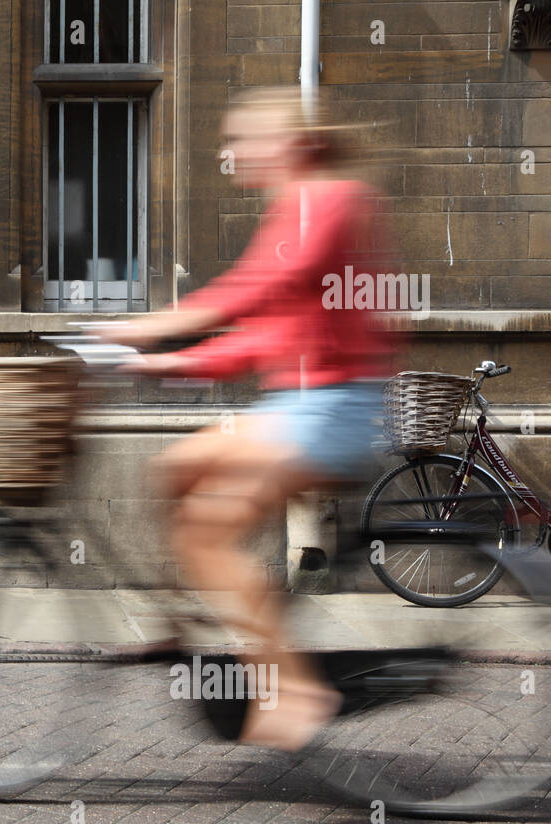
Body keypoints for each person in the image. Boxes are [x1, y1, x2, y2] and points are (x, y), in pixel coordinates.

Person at [95, 87, 398, 751]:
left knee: (207, 535)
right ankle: (182, 622)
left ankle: (293, 688)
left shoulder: (330, 199)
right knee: (170, 469)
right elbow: (265, 336)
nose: (232, 154)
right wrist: (169, 364)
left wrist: (154, 328)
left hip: (334, 406)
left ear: (291, 144)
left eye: (245, 140)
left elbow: (255, 290)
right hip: (295, 403)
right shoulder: (290, 208)